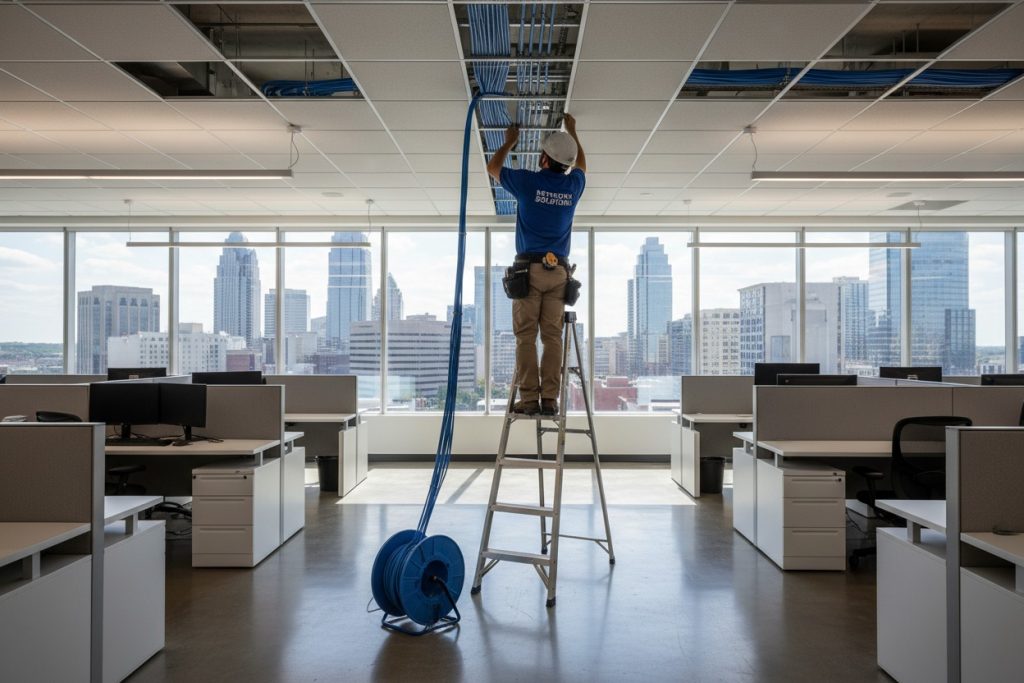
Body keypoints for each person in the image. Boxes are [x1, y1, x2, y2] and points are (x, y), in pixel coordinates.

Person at [486, 114, 587, 416]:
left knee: (526, 336)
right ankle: (550, 400)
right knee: (552, 337)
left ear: (543, 158)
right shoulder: (573, 186)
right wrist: (574, 132)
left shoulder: (528, 182)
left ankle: (529, 399)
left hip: (529, 272)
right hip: (559, 273)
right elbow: (582, 165)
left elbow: (493, 168)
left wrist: (508, 143)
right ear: (565, 164)